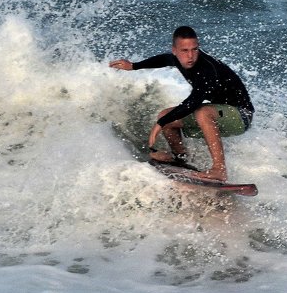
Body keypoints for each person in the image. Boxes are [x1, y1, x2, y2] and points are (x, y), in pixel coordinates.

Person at [109, 26, 254, 182]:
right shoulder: (177, 58)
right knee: (166, 115)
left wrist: (158, 125)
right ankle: (181, 160)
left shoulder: (207, 69)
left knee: (200, 112)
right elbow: (164, 59)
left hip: (241, 115)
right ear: (175, 50)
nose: (190, 56)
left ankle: (219, 170)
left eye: (195, 49)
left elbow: (193, 102)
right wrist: (134, 66)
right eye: (185, 50)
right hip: (221, 114)